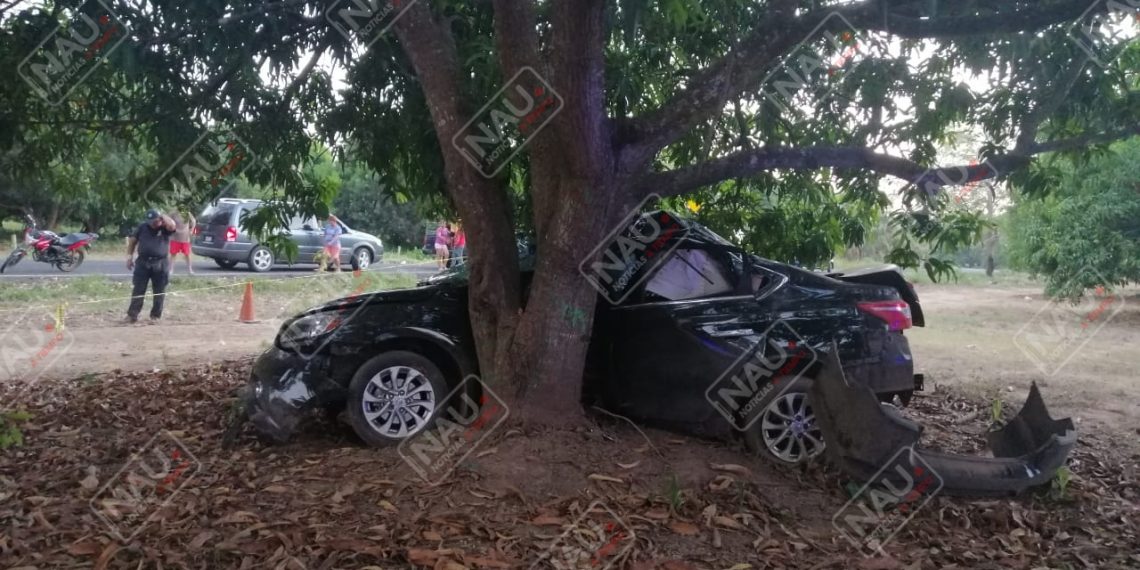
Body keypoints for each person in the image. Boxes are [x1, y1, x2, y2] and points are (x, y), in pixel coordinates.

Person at [126, 209, 176, 323]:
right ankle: (132, 315)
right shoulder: (142, 227)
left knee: (159, 291)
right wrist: (129, 257)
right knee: (138, 289)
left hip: (160, 263)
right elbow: (132, 241)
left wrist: (162, 215)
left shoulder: (165, 228)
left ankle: (155, 316)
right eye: (150, 221)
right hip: (143, 262)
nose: (152, 224)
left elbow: (172, 226)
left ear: (161, 219)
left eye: (155, 221)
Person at [168, 209, 195, 276]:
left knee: (187, 254)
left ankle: (190, 270)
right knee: (173, 254)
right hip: (175, 237)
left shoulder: (187, 213)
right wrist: (170, 228)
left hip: (185, 237)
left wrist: (191, 230)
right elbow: (168, 220)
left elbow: (193, 221)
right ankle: (171, 270)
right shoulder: (173, 213)